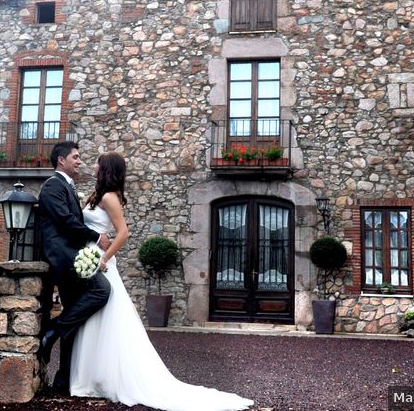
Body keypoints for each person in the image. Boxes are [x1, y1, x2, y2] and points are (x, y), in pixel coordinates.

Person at [70, 152, 253, 411]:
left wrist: (103, 259)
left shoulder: (110, 197)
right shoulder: (98, 195)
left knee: (106, 315)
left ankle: (105, 379)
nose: (93, 165)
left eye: (98, 163)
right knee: (94, 317)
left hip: (100, 261)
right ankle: (91, 377)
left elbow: (123, 233)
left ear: (106, 168)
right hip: (91, 254)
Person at [36, 140, 112, 395]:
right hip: (64, 258)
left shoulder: (65, 186)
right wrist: (96, 237)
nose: (79, 161)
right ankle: (53, 330)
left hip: (72, 255)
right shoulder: (52, 187)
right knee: (101, 290)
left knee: (73, 317)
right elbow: (67, 222)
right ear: (62, 160)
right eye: (76, 157)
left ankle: (63, 381)